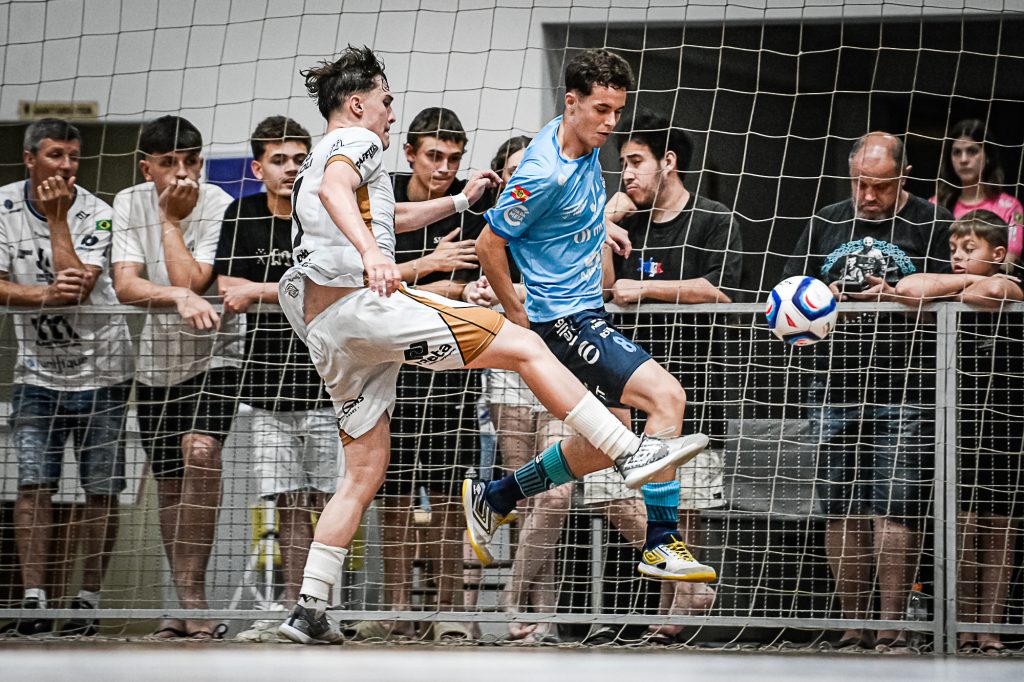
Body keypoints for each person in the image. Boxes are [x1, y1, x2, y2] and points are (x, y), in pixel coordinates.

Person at [274, 45, 700, 645]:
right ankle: (630, 452)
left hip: (325, 331)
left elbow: (380, 216)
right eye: (387, 100)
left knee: (364, 471)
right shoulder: (357, 145)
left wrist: (457, 202)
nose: (391, 112)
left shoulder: (319, 157)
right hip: (362, 308)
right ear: (357, 102)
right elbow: (342, 196)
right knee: (524, 346)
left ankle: (310, 606)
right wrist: (374, 259)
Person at [469, 48, 714, 585]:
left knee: (610, 439)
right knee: (667, 397)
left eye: (617, 111)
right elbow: (489, 245)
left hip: (584, 312)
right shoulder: (542, 172)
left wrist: (599, 227)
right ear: (571, 102)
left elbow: (555, 226)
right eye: (601, 109)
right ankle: (662, 541)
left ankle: (498, 493)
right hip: (562, 323)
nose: (610, 122)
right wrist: (520, 322)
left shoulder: (577, 141)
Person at [784, 131, 953, 651]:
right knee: (839, 505)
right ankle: (853, 624)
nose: (868, 197)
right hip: (833, 383)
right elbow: (786, 290)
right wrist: (820, 301)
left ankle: (892, 626)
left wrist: (900, 297)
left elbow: (960, 288)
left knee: (895, 503)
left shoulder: (933, 222)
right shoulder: (826, 221)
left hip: (905, 383)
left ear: (904, 178)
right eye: (860, 184)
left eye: (879, 187)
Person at [598, 107, 743, 642]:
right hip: (632, 384)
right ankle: (685, 590)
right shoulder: (629, 222)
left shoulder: (713, 220)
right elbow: (608, 286)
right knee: (615, 492)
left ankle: (670, 618)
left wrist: (650, 289)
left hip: (696, 383)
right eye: (623, 164)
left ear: (669, 162)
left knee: (688, 505)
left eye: (636, 161)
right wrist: (605, 227)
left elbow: (720, 290)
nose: (628, 173)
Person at [354, 107, 490, 642]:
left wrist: (455, 292)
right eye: (434, 155)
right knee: (394, 496)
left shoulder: (476, 206)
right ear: (408, 152)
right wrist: (431, 270)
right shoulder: (380, 196)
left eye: (453, 159)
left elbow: (481, 285)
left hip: (454, 371)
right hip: (389, 371)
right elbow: (369, 287)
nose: (443, 168)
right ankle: (395, 611)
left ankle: (449, 612)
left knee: (449, 493)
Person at [0, 119, 133, 637]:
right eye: (55, 155)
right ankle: (35, 600)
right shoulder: (4, 206)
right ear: (30, 158)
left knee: (101, 491)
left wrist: (57, 218)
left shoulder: (96, 214)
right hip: (37, 375)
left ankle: (86, 600)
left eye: (73, 158)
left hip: (103, 373)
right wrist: (39, 296)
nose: (66, 167)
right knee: (33, 486)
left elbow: (76, 286)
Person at [111, 115, 241, 640]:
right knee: (168, 484)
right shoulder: (127, 201)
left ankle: (196, 597)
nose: (182, 174)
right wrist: (176, 298)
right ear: (148, 167)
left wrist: (169, 222)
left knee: (201, 451)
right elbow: (125, 284)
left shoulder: (216, 204)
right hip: (157, 365)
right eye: (168, 165)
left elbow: (192, 277)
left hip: (217, 354)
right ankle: (182, 602)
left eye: (191, 162)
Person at [212, 116, 342, 642]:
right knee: (288, 504)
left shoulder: (323, 213)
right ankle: (296, 611)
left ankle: (325, 608)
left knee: (328, 503)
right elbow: (226, 286)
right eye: (279, 159)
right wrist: (288, 288)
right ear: (258, 166)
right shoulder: (240, 214)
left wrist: (262, 291)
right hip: (265, 388)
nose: (290, 169)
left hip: (329, 383)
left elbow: (329, 288)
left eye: (297, 159)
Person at [895, 210, 1023, 655]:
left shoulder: (1011, 282)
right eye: (952, 252)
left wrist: (953, 288)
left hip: (1005, 420)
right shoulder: (962, 282)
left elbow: (993, 290)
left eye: (970, 250)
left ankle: (990, 625)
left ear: (1001, 254)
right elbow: (909, 288)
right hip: (958, 420)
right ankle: (965, 625)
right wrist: (961, 281)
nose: (958, 258)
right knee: (963, 523)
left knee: (999, 524)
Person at [932, 119, 1023, 260]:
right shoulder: (935, 204)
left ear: (988, 156)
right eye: (956, 152)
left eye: (972, 151)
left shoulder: (1010, 207)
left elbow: (1010, 259)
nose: (963, 159)